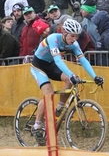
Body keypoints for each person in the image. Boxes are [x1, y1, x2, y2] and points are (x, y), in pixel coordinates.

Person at [30, 18, 104, 146]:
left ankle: (59, 108)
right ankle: (36, 126)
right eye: (72, 36)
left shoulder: (74, 44)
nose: (74, 39)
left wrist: (94, 76)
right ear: (64, 32)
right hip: (39, 66)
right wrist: (71, 74)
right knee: (49, 94)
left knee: (70, 81)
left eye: (77, 36)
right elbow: (59, 61)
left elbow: (84, 61)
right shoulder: (54, 38)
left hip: (51, 65)